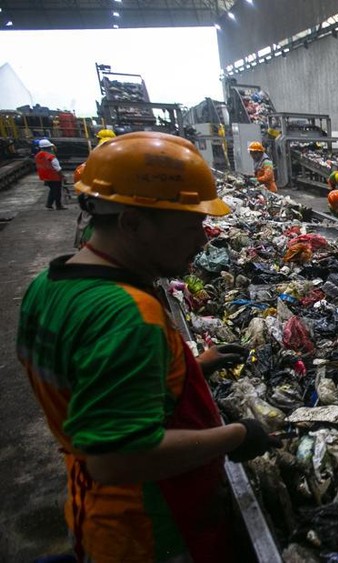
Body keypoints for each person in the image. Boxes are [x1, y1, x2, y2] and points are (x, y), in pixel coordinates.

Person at [17, 132, 277, 562]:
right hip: (149, 528)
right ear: (132, 223)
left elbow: (91, 382)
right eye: (190, 225)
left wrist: (195, 368)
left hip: (91, 508)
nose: (203, 239)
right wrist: (237, 435)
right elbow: (117, 458)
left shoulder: (48, 285)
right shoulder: (128, 316)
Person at [35, 138, 66, 210]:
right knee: (57, 191)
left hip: (45, 176)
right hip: (54, 176)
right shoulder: (51, 156)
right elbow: (57, 168)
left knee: (52, 190)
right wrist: (62, 176)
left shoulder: (37, 156)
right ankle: (58, 205)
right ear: (48, 147)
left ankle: (49, 204)